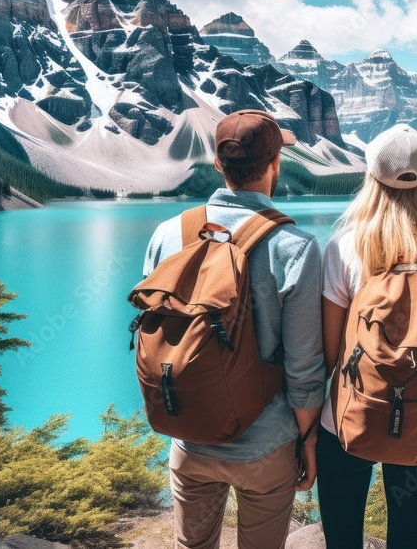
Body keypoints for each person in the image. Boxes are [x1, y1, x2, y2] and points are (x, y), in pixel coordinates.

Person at [141, 109, 326, 549]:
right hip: (266, 444)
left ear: (219, 164)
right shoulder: (295, 247)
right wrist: (308, 440)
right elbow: (304, 366)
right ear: (276, 163)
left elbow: (157, 331)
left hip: (189, 436)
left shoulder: (169, 233)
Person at [316, 124, 417, 549]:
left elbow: (329, 355)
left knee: (341, 539)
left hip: (347, 420)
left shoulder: (345, 247)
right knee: (408, 541)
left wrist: (306, 430)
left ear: (370, 179)